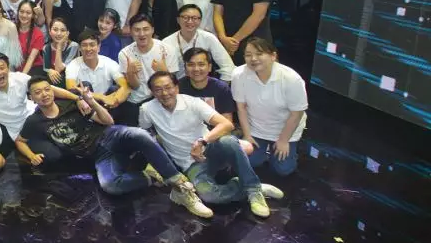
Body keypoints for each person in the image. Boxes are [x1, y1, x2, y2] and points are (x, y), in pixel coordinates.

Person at [16, 76, 213, 218]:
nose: (44, 94)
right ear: (31, 98)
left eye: (47, 89)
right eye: (38, 92)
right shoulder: (34, 121)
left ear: (52, 90)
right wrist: (31, 155)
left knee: (140, 134)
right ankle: (151, 178)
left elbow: (108, 121)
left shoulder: (71, 105)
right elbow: (20, 141)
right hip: (98, 155)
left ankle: (181, 187)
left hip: (109, 136)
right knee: (110, 185)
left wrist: (90, 102)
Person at [140, 72, 283, 217]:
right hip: (190, 163)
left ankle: (253, 189)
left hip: (211, 150)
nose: (164, 93)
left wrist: (203, 141)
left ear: (176, 88)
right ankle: (246, 187)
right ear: (152, 92)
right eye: (158, 89)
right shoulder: (147, 110)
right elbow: (146, 135)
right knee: (209, 196)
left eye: (168, 87)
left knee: (228, 141)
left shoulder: (193, 103)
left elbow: (226, 124)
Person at [0, 52, 75, 141]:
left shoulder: (19, 78)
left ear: (8, 69)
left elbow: (49, 89)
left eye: (2, 68)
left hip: (35, 116)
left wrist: (76, 98)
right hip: (19, 132)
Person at [233, 38, 307, 176]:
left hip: (284, 130)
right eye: (248, 55)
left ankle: (294, 150)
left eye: (259, 54)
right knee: (249, 162)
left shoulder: (291, 79)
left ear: (273, 56)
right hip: (256, 129)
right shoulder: (238, 74)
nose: (253, 59)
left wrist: (283, 140)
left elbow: (297, 113)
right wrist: (247, 135)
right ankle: (264, 152)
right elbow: (241, 108)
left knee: (283, 169)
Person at [64, 30, 131, 114]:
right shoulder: (73, 65)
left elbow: (125, 86)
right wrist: (101, 97)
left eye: (92, 45)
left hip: (107, 104)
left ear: (99, 47)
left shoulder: (109, 62)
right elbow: (71, 90)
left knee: (116, 89)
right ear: (80, 48)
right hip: (85, 105)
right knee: (84, 85)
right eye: (84, 45)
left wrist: (115, 100)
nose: (88, 49)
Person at [162, 5, 235, 81]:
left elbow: (228, 66)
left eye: (194, 18)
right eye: (185, 17)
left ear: (200, 21)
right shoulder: (166, 42)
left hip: (204, 82)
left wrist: (222, 84)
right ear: (178, 19)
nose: (190, 21)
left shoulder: (208, 38)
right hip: (178, 84)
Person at [177, 47, 236, 122]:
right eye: (191, 65)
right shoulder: (178, 87)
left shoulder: (221, 88)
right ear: (185, 68)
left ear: (209, 67)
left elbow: (227, 121)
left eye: (201, 64)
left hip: (216, 128)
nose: (196, 69)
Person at [34, 16, 77, 83]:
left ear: (67, 33)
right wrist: (50, 71)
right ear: (49, 31)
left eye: (62, 30)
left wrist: (59, 46)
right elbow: (47, 68)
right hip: (53, 79)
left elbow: (59, 68)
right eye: (55, 30)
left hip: (70, 78)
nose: (58, 33)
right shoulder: (46, 47)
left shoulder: (73, 46)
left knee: (59, 78)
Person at [15, 0, 45, 74]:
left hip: (34, 68)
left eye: (28, 13)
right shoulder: (12, 29)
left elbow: (31, 59)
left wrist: (22, 76)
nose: (24, 15)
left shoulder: (38, 34)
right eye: (21, 11)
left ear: (33, 15)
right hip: (16, 68)